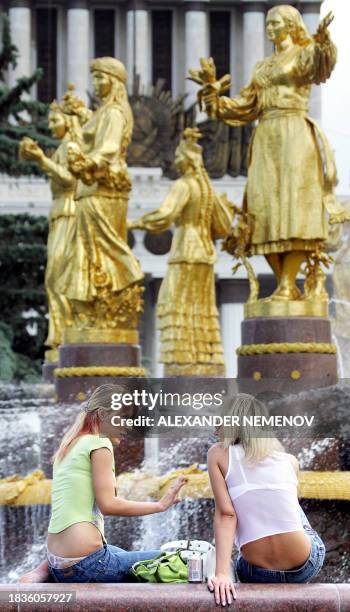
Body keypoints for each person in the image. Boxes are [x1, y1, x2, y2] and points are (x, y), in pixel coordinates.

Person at [194, 6, 348, 301]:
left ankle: (288, 284)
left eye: (274, 23)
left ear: (290, 25)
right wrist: (213, 95)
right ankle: (284, 284)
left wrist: (325, 41)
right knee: (263, 211)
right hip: (266, 137)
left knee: (294, 208)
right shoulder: (262, 67)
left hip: (294, 134)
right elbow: (245, 104)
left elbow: (321, 65)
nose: (269, 28)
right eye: (267, 23)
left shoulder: (302, 54)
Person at [20, 383, 186, 583]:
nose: (128, 425)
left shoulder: (71, 444)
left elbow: (69, 509)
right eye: (123, 417)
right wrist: (160, 505)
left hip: (58, 563)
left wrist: (43, 570)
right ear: (102, 414)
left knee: (127, 557)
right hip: (87, 564)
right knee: (176, 562)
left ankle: (41, 572)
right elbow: (109, 505)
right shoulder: (100, 443)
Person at [129, 127, 234, 376]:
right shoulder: (206, 189)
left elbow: (165, 215)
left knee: (174, 300)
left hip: (186, 247)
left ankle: (183, 360)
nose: (175, 161)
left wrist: (134, 223)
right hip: (204, 251)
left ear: (187, 160)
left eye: (178, 156)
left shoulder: (184, 185)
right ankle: (204, 360)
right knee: (200, 304)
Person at [207, 393, 325, 605]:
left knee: (242, 504)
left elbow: (227, 514)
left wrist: (222, 573)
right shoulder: (290, 461)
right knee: (289, 504)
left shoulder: (218, 453)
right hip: (304, 565)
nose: (215, 428)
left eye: (220, 421)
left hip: (256, 572)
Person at [57, 58, 143, 336]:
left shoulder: (115, 112)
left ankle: (124, 283)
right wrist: (81, 114)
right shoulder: (104, 111)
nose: (95, 84)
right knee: (88, 248)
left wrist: (85, 162)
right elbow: (95, 130)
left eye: (100, 77)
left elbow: (108, 148)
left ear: (114, 81)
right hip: (90, 188)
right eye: (94, 78)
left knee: (105, 244)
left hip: (104, 186)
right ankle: (95, 305)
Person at [18, 86, 87, 355]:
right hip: (61, 213)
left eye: (55, 120)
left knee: (59, 276)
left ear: (69, 122)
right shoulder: (63, 146)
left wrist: (41, 159)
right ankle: (60, 334)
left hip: (69, 212)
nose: (50, 125)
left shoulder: (70, 146)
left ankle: (65, 334)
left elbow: (70, 179)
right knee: (54, 277)